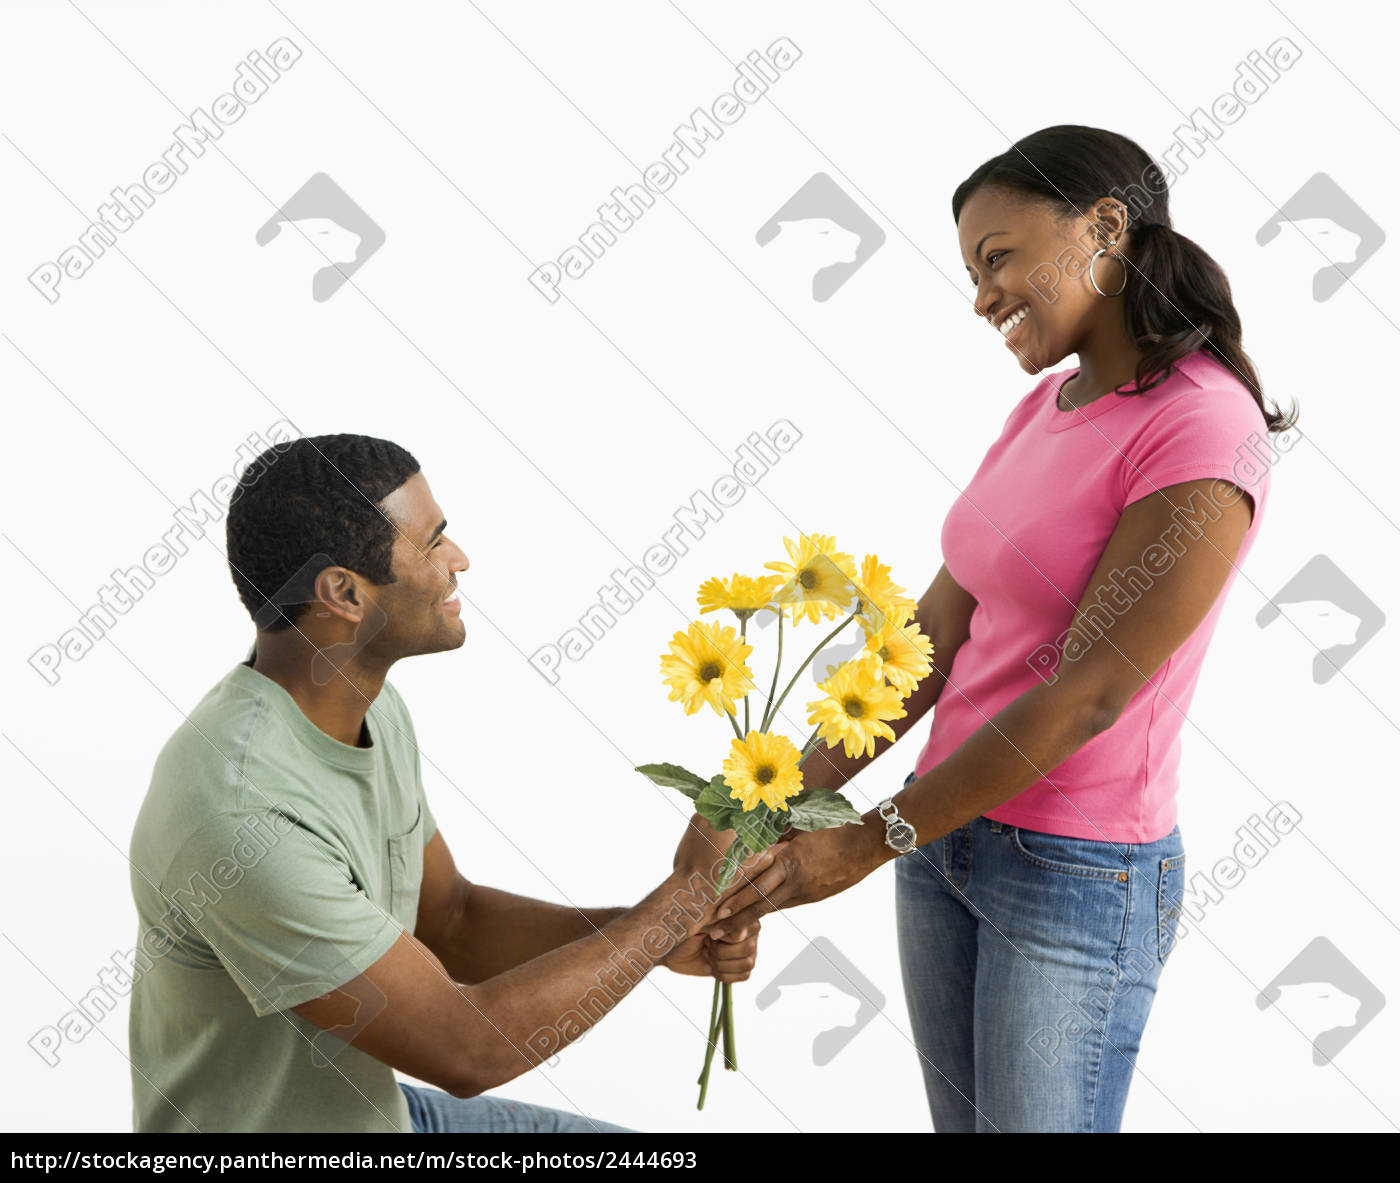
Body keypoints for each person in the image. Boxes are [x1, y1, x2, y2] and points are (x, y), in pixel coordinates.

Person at [708, 125, 1296, 1132]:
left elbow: (1087, 693)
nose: (981, 295)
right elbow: (934, 630)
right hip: (941, 838)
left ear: (1102, 228)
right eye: (971, 272)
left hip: (1073, 873)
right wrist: (774, 798)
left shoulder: (1199, 426)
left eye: (997, 258)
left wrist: (860, 844)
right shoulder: (1044, 408)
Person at [127, 433, 765, 1133]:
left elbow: (450, 919)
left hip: (381, 1117)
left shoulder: (363, 702)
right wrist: (680, 903)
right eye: (433, 542)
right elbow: (468, 1049)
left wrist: (650, 933)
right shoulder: (241, 814)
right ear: (343, 591)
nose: (460, 560)